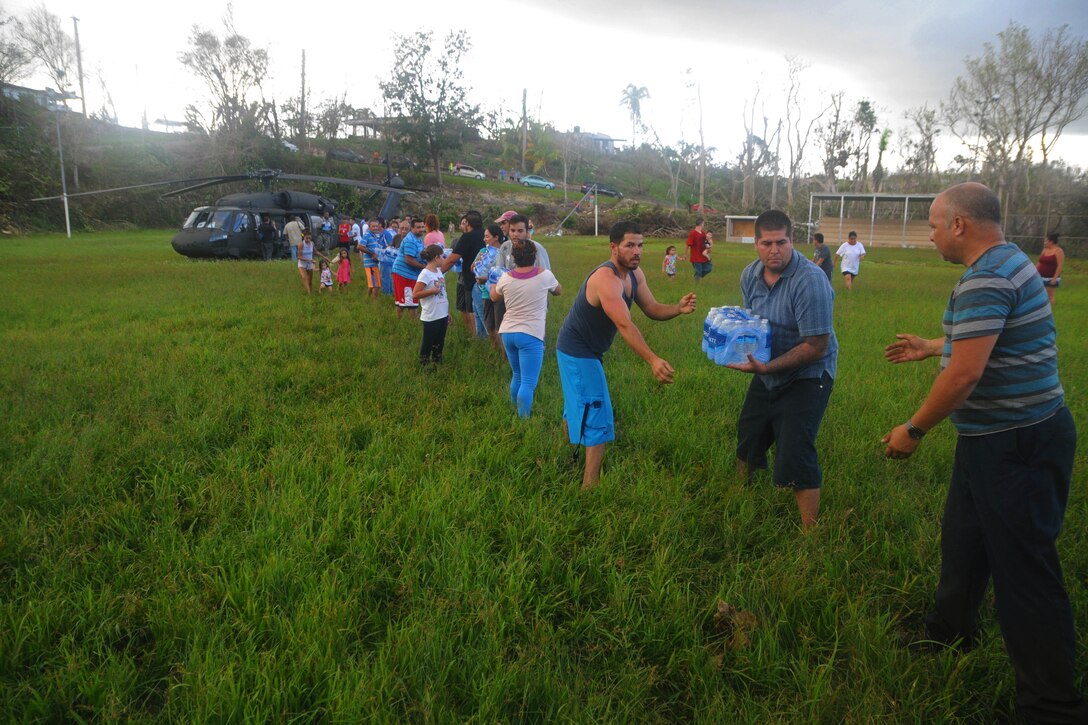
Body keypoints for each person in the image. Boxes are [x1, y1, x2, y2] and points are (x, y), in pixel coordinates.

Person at [881, 182, 1088, 724]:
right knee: (964, 543)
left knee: (1026, 571)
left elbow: (966, 374)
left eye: (932, 224)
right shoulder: (1010, 262)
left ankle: (1052, 707)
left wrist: (914, 429)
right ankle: (951, 634)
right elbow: (987, 340)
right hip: (994, 440)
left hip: (1017, 442)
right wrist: (932, 345)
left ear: (958, 226)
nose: (929, 235)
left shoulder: (987, 276)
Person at [556, 221, 697, 488]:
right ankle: (590, 485)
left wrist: (677, 308)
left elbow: (652, 308)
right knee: (598, 409)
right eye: (629, 245)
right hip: (577, 350)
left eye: (640, 245)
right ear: (613, 247)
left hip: (587, 350)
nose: (637, 251)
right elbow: (624, 324)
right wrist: (653, 359)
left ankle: (568, 449)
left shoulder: (635, 274)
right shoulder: (605, 280)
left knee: (580, 400)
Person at [730, 209, 837, 529]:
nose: (774, 250)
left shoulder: (810, 280)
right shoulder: (750, 275)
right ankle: (738, 500)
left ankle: (810, 531)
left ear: (793, 241)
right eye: (766, 243)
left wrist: (767, 367)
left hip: (808, 372)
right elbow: (752, 323)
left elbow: (816, 345)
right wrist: (735, 346)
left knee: (794, 445)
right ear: (756, 244)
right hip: (767, 365)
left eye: (781, 242)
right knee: (750, 433)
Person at [491, 240, 562, 417]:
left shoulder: (506, 278)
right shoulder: (545, 275)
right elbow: (558, 290)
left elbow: (494, 297)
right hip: (531, 333)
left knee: (517, 375)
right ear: (535, 256)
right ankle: (523, 420)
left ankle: (512, 409)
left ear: (513, 257)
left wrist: (493, 280)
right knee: (528, 382)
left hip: (508, 332)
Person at [442, 210, 486, 337]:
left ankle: (477, 338)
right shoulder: (486, 234)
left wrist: (438, 273)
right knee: (483, 311)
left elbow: (452, 259)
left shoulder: (467, 236)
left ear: (468, 223)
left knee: (473, 311)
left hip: (472, 280)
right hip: (488, 279)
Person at [413, 245, 449, 366]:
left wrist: (447, 312)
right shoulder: (425, 274)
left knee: (440, 341)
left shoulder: (438, 271)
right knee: (428, 342)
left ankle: (436, 363)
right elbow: (415, 294)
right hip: (431, 315)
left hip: (442, 314)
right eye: (442, 256)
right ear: (436, 258)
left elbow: (443, 292)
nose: (444, 259)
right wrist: (432, 291)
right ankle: (423, 364)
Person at [473, 223, 504, 349]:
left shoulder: (504, 252)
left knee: (500, 326)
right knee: (489, 325)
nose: (484, 239)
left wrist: (487, 278)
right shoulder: (483, 251)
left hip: (499, 293)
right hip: (485, 293)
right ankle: (494, 349)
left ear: (496, 237)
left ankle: (504, 356)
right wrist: (479, 260)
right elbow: (472, 267)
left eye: (487, 236)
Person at [392, 217, 426, 317]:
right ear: (412, 228)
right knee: (409, 300)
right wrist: (424, 267)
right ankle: (411, 324)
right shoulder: (410, 240)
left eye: (422, 227)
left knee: (408, 299)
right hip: (403, 273)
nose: (421, 229)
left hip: (410, 273)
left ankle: (404, 321)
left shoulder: (418, 238)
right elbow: (409, 260)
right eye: (418, 227)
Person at [1036, 232, 1065, 307]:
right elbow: (1039, 262)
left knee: (1050, 295)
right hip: (1040, 276)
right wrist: (1034, 272)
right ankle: (1042, 308)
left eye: (1046, 241)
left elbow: (1060, 265)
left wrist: (1054, 278)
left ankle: (1052, 310)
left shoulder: (1058, 251)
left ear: (1051, 241)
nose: (1045, 243)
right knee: (1040, 294)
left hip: (1051, 278)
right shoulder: (1044, 250)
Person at [359, 218, 385, 298]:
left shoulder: (375, 235)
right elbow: (360, 247)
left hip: (374, 263)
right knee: (376, 285)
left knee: (373, 284)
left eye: (376, 226)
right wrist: (372, 254)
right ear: (369, 227)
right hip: (370, 263)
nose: (375, 228)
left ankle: (367, 299)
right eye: (373, 226)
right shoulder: (367, 235)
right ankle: (374, 304)